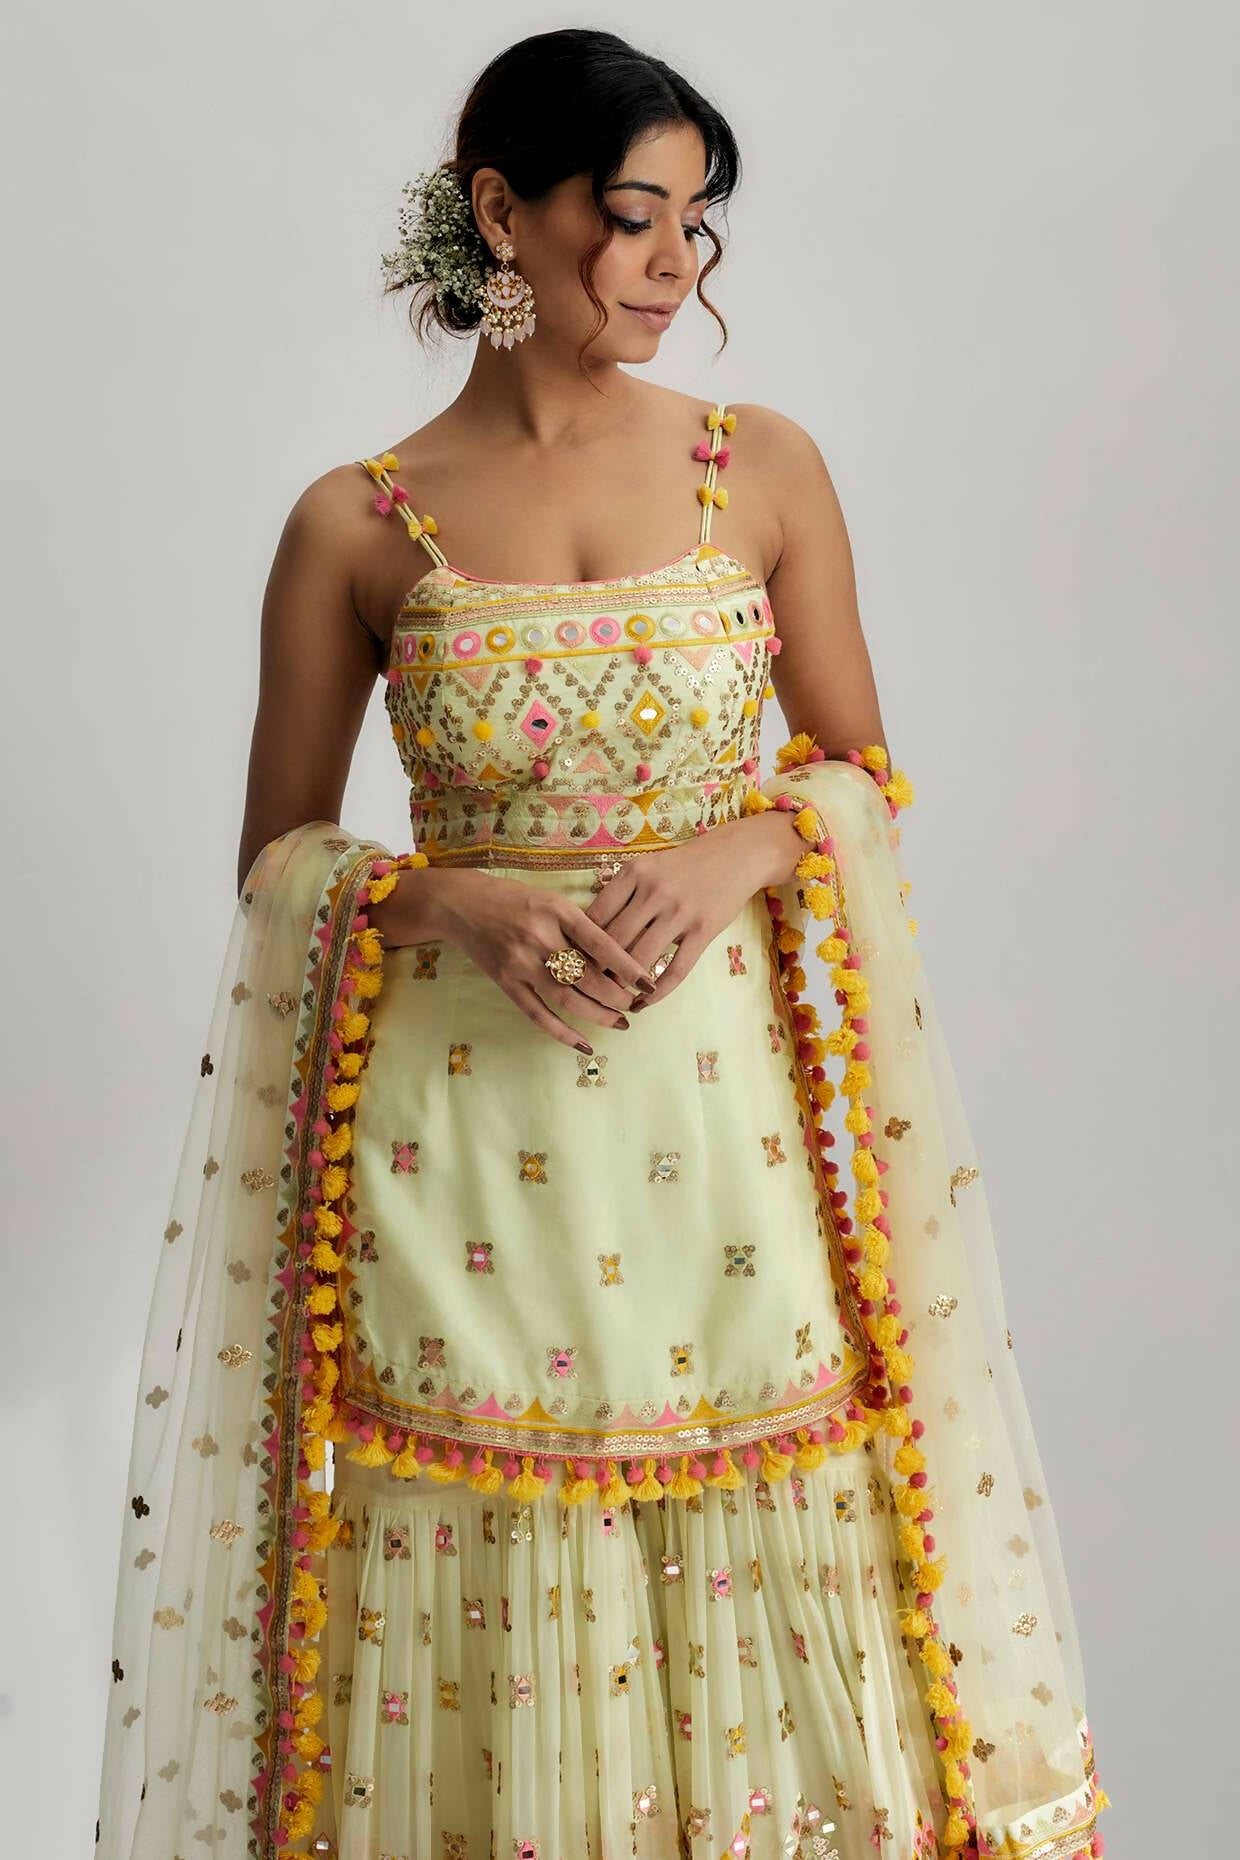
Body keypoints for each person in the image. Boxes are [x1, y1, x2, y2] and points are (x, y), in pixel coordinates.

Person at [95, 28, 1110, 1860]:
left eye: (695, 227)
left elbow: (861, 770)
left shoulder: (759, 469)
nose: (671, 266)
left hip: (722, 1145)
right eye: (634, 217)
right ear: (503, 210)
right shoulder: (356, 522)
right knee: (472, 1585)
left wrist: (748, 842)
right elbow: (279, 855)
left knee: (774, 1539)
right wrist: (441, 895)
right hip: (464, 1147)